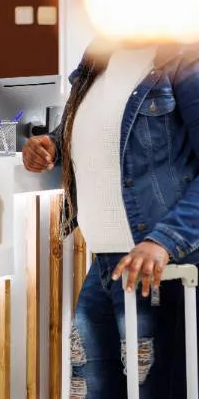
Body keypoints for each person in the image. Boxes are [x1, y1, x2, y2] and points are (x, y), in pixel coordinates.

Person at [24, 39, 199, 398]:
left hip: (162, 269)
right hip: (105, 264)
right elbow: (98, 127)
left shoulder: (185, 58)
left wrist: (164, 240)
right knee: (88, 390)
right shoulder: (98, 55)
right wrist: (52, 146)